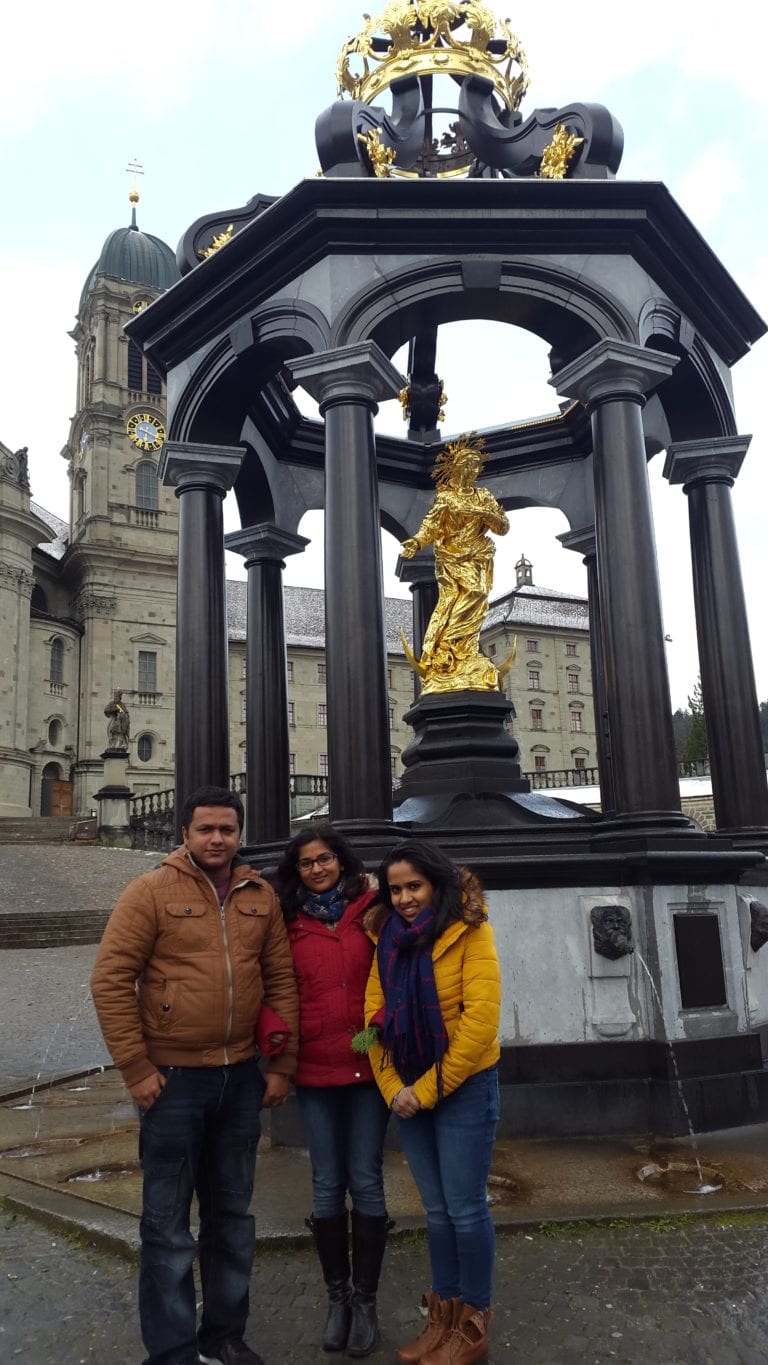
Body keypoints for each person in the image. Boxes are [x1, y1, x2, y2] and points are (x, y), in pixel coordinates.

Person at [91, 785, 299, 1365]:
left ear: (239, 834)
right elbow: (110, 978)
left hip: (240, 1076)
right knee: (166, 1225)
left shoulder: (260, 895)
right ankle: (173, 1351)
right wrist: (136, 1066)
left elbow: (281, 981)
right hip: (173, 1079)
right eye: (205, 829)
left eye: (226, 829)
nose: (216, 839)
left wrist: (281, 1065)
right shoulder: (150, 890)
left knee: (232, 1218)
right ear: (184, 834)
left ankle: (223, 1337)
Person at [363, 841, 501, 1365]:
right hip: (407, 1089)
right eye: (395, 889)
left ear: (436, 884)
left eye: (414, 886)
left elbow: (479, 1022)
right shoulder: (385, 938)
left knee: (465, 1208)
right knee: (437, 1211)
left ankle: (473, 1322)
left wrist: (421, 1092)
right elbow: (373, 1015)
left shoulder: (470, 929)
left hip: (464, 1086)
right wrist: (392, 1088)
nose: (404, 899)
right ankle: (441, 1316)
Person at [274, 824, 391, 1358]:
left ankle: (365, 1300)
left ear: (341, 861)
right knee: (326, 1182)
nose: (317, 869)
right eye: (306, 862)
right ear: (296, 871)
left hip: (368, 1064)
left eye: (324, 859)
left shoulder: (373, 910)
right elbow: (274, 987)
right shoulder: (287, 921)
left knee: (365, 1178)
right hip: (316, 1066)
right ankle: (337, 1298)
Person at [400, 435, 509, 693]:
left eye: (475, 466)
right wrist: (416, 542)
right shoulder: (447, 498)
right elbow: (431, 526)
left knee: (478, 603)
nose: (472, 470)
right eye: (466, 465)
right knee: (471, 593)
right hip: (452, 556)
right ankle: (447, 643)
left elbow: (503, 527)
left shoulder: (484, 496)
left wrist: (484, 513)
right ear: (456, 468)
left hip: (478, 555)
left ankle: (464, 651)